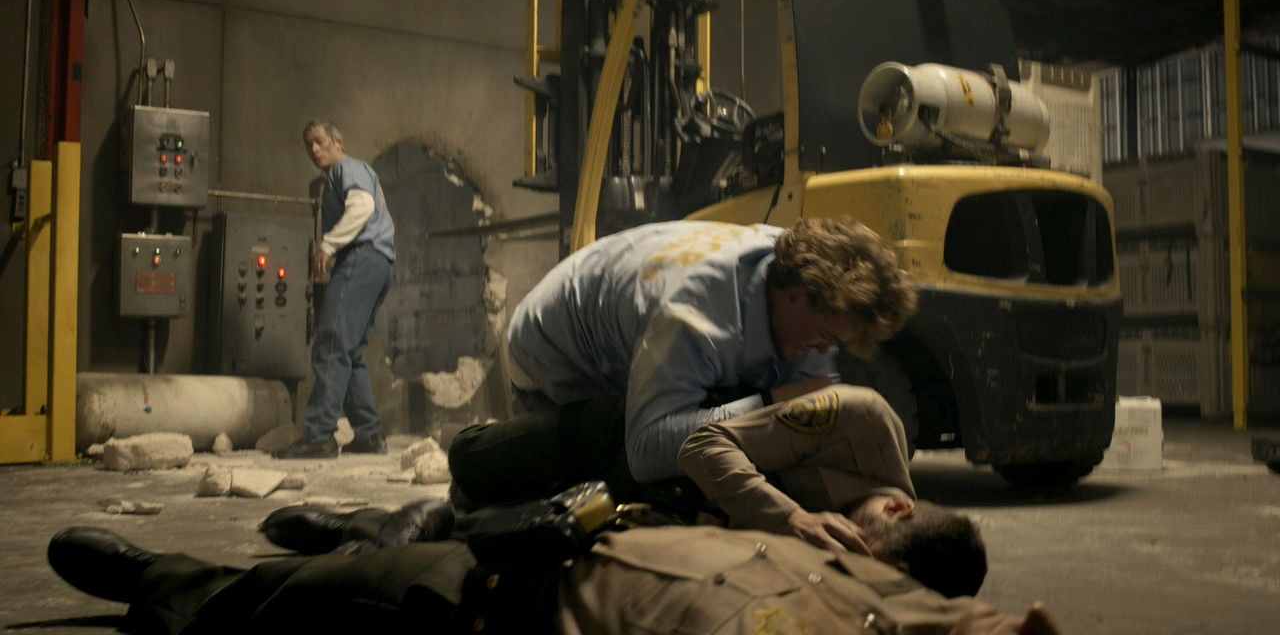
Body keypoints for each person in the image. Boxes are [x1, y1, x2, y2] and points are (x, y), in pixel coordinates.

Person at [449, 218, 918, 504]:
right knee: (636, 478)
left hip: (634, 318)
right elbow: (647, 451)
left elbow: (801, 421)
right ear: (795, 296)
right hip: (554, 355)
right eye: (826, 338)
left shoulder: (799, 277)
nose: (825, 352)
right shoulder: (695, 316)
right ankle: (483, 471)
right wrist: (771, 401)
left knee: (727, 428)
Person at [45, 515, 1059, 635]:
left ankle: (166, 582)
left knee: (268, 607)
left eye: (889, 515)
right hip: (519, 552)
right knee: (373, 560)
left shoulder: (900, 608)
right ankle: (351, 538)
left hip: (482, 611)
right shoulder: (830, 555)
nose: (874, 514)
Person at [679, 383, 986, 598]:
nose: (850, 562)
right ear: (897, 508)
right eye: (861, 549)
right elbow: (701, 446)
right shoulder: (857, 419)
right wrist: (788, 517)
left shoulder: (892, 574)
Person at [276, 120, 396, 459]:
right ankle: (369, 435)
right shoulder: (340, 176)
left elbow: (362, 207)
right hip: (378, 264)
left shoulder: (347, 168)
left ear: (338, 143)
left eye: (320, 141)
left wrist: (327, 245)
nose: (314, 149)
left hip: (361, 258)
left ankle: (318, 437)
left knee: (330, 344)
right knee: (349, 352)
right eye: (309, 145)